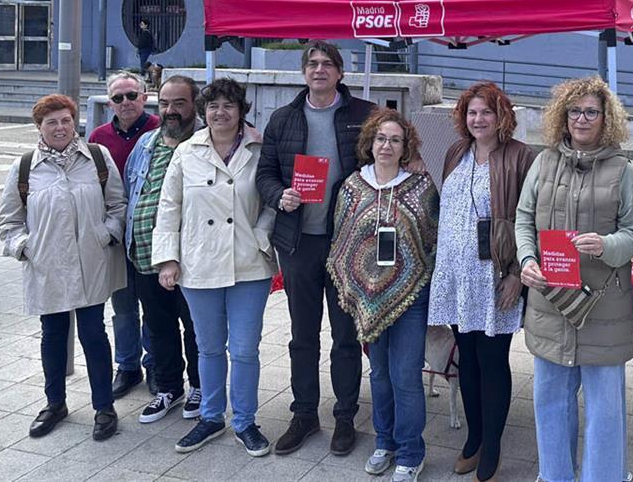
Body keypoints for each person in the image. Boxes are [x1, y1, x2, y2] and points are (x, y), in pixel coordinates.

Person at [515, 76, 633, 482]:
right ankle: (554, 476)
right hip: (550, 300)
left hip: (603, 308)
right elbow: (523, 220)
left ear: (606, 118)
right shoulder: (543, 162)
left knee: (605, 409)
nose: (582, 119)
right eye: (575, 111)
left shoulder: (622, 169)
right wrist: (527, 258)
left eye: (591, 111)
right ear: (562, 117)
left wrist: (606, 245)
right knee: (551, 401)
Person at [256, 41, 372, 457]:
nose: (319, 69)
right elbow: (264, 173)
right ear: (303, 72)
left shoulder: (365, 114)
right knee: (302, 335)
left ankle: (344, 416)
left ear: (340, 72)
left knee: (345, 336)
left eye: (327, 63)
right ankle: (304, 413)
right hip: (299, 241)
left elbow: (387, 161)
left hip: (347, 242)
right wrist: (279, 195)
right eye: (312, 63)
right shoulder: (283, 118)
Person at [152, 78, 276, 456]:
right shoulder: (187, 152)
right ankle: (210, 417)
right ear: (204, 112)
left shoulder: (260, 149)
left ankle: (245, 421)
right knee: (207, 348)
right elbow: (169, 206)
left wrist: (261, 233)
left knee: (244, 349)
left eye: (228, 105)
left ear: (241, 111)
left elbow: (273, 197)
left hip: (248, 263)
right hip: (199, 261)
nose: (220, 112)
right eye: (212, 106)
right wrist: (168, 259)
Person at [0, 94, 126, 442]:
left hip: (90, 262)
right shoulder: (25, 167)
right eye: (51, 122)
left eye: (65, 120)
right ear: (39, 127)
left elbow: (117, 204)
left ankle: (104, 406)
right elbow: (8, 222)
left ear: (75, 122)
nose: (60, 127)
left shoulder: (97, 158)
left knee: (93, 334)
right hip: (47, 266)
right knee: (52, 335)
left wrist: (106, 234)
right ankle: (55, 403)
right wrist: (26, 247)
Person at [429, 82, 536, 482]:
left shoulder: (519, 156)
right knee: (467, 359)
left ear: (501, 115)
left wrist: (516, 276)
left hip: (494, 276)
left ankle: (492, 446)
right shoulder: (457, 151)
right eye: (472, 113)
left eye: (486, 113)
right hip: (456, 276)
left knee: (492, 361)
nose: (478, 120)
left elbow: (530, 219)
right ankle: (473, 440)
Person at [327, 109, 439, 482]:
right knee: (378, 375)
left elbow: (432, 241)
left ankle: (410, 451)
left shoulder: (421, 187)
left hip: (411, 295)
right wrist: (356, 289)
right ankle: (384, 442)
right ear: (369, 143)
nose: (386, 145)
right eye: (380, 138)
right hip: (368, 297)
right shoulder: (352, 186)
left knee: (405, 374)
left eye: (395, 139)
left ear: (406, 146)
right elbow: (341, 243)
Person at [123, 76, 203, 424]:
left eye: (179, 103)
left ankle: (201, 387)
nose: (170, 111)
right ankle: (169, 388)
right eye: (165, 103)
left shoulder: (206, 143)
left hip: (192, 258)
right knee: (158, 326)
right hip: (145, 257)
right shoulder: (145, 143)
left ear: (194, 104)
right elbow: (131, 191)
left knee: (196, 327)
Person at [89, 70, 161, 398]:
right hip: (117, 234)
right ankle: (128, 365)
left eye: (132, 95)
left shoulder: (160, 128)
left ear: (144, 97)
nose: (126, 102)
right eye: (118, 98)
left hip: (151, 233)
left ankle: (156, 365)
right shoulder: (99, 137)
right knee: (123, 306)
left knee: (156, 306)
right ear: (110, 102)